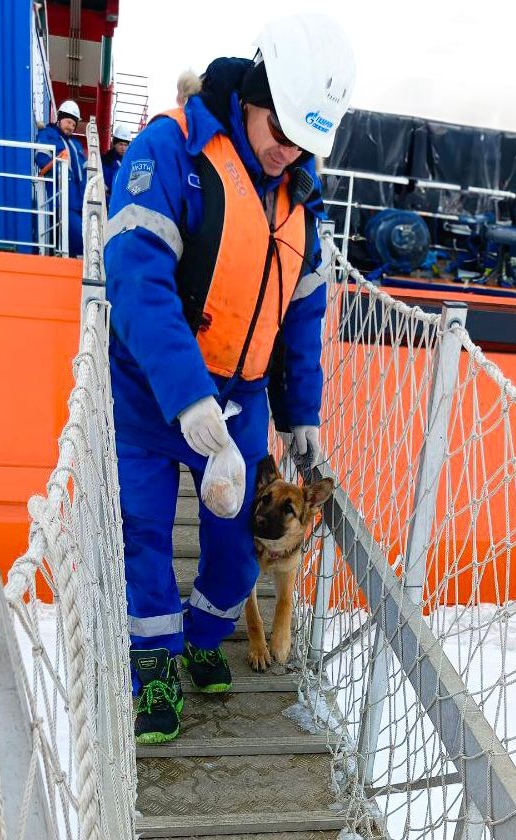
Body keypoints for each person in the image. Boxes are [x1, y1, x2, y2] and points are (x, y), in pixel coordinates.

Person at [104, 12, 355, 744]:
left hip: (242, 406)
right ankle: (153, 667)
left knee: (234, 550)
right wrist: (185, 393)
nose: (287, 154)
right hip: (153, 397)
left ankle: (204, 635)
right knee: (147, 533)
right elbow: (138, 278)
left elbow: (302, 316)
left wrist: (300, 414)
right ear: (253, 89)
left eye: (305, 143)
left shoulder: (300, 197)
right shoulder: (171, 151)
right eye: (281, 133)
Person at [36, 100, 87, 257]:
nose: (71, 127)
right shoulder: (47, 135)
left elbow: (85, 171)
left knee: (83, 235)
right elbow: (41, 158)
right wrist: (59, 170)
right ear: (59, 119)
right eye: (68, 122)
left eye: (73, 124)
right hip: (60, 197)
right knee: (76, 235)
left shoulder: (77, 145)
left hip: (79, 202)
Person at [101, 122, 132, 203]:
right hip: (108, 201)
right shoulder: (106, 160)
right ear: (114, 144)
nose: (123, 148)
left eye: (126, 145)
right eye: (121, 144)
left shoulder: (129, 163)